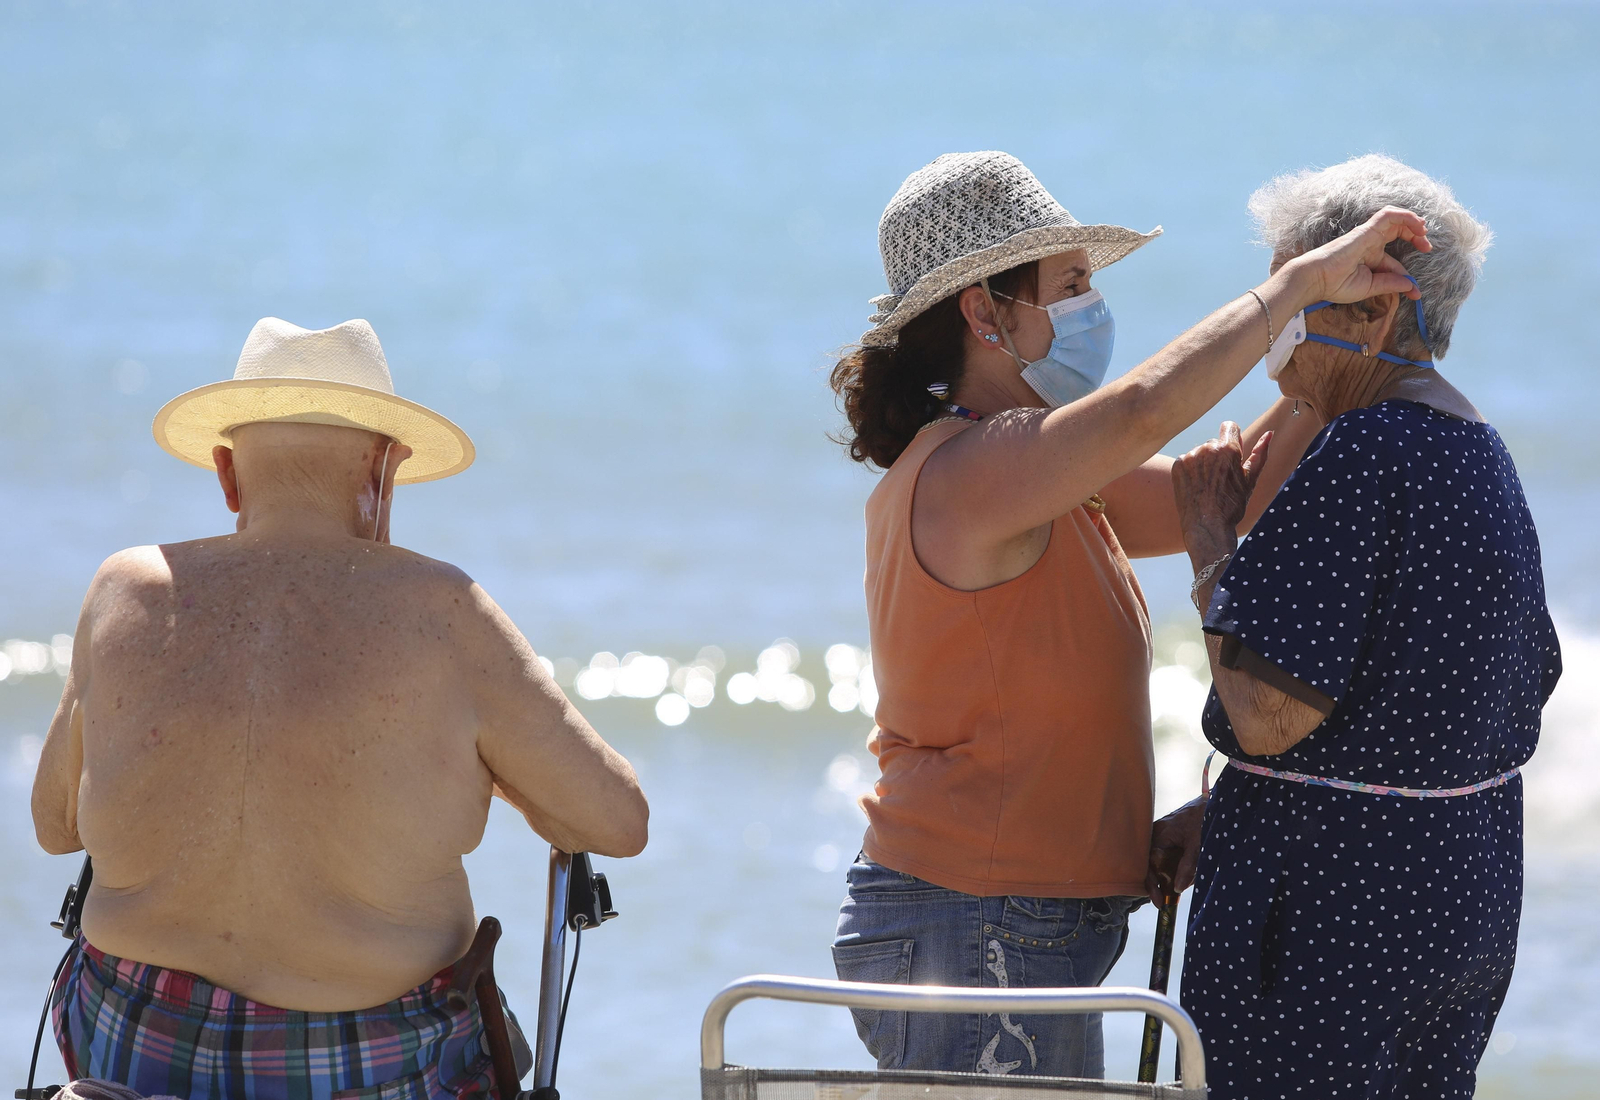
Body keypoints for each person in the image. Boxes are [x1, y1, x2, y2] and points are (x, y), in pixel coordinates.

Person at [826, 149, 1426, 1079]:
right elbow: (1144, 409)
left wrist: (1334, 344)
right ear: (984, 312)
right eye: (1068, 286)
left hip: (1020, 916)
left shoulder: (1049, 480)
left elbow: (1231, 490)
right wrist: (1303, 284)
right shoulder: (970, 473)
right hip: (972, 916)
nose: (1090, 308)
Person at [31, 317, 649, 1100]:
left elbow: (54, 826)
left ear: (226, 474)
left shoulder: (122, 589)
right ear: (384, 471)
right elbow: (617, 822)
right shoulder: (441, 609)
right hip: (372, 1063)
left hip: (135, 1051)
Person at [1173, 155, 1562, 1100]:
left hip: (1337, 917)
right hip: (1458, 894)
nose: (1271, 323)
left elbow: (1268, 717)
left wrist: (1209, 546)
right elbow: (1461, 699)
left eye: (1294, 291)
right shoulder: (1475, 446)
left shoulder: (1365, 447)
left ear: (1376, 307)